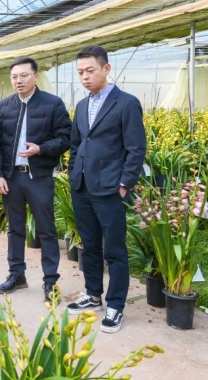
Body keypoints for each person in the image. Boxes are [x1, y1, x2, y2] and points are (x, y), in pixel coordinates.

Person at [66, 45, 146, 334]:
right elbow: (77, 144)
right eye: (80, 72)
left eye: (90, 70)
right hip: (82, 187)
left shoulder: (126, 103)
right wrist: (73, 172)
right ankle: (93, 294)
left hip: (110, 189)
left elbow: (136, 148)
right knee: (89, 245)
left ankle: (115, 305)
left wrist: (124, 185)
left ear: (106, 69)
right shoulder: (81, 105)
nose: (85, 77)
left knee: (114, 249)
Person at [0, 57, 71, 302]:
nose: (19, 80)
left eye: (24, 75)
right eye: (14, 76)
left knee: (46, 230)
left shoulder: (52, 104)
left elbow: (66, 138)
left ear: (36, 76)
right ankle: (17, 275)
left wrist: (41, 149)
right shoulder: (4, 106)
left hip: (39, 177)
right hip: (11, 178)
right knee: (15, 229)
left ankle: (50, 280)